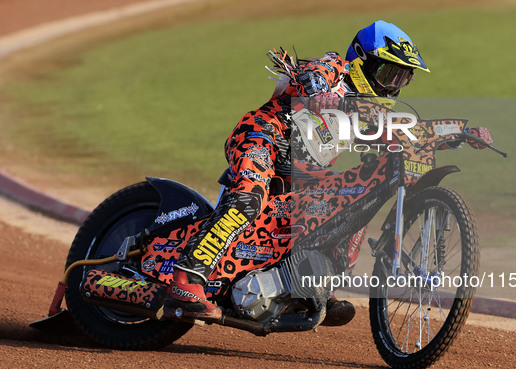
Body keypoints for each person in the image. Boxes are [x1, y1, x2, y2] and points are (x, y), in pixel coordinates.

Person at [164, 20, 493, 322]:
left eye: (401, 78)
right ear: (362, 60)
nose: (392, 86)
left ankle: (316, 282)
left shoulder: (372, 112)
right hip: (263, 137)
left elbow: (408, 131)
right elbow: (314, 73)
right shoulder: (336, 67)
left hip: (303, 172)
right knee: (247, 199)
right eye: (387, 74)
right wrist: (317, 89)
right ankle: (186, 278)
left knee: (352, 199)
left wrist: (460, 133)